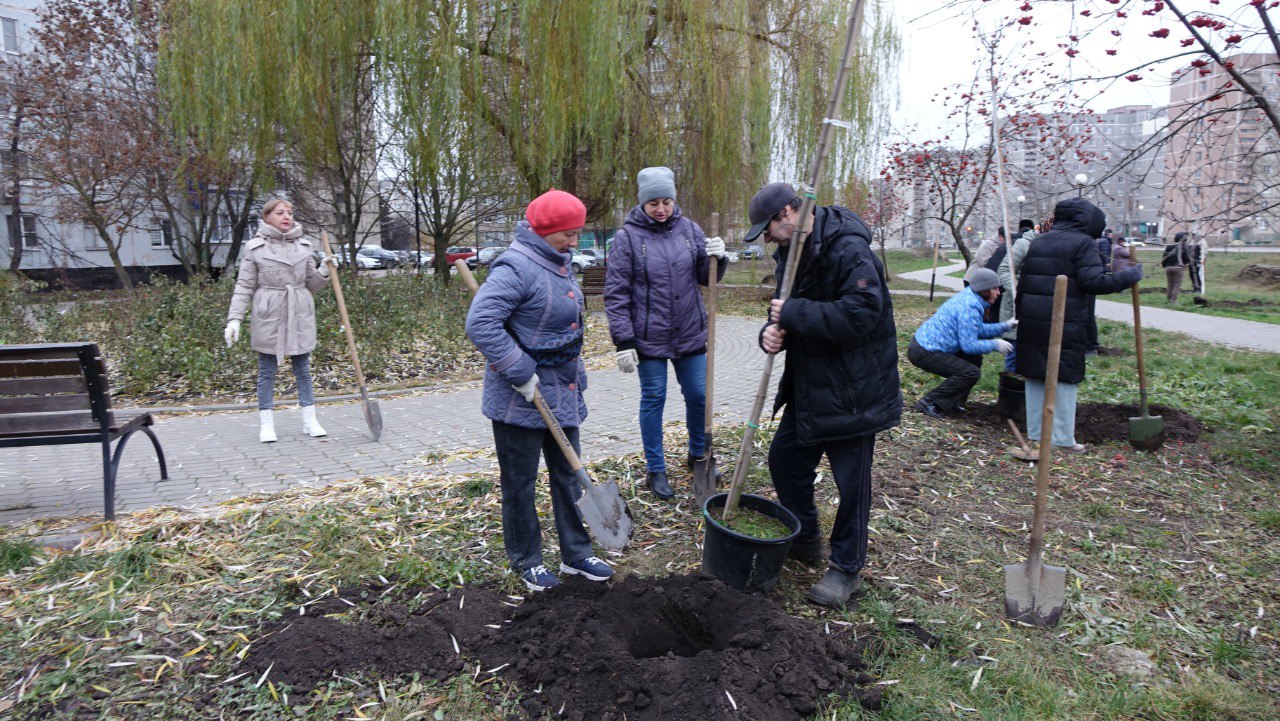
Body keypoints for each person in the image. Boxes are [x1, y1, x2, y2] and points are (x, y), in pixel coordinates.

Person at [745, 182, 902, 608]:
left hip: (854, 390)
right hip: (811, 387)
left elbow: (862, 313)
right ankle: (807, 538)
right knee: (785, 460)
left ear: (789, 215)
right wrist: (770, 333)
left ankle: (846, 568)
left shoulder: (849, 249)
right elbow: (782, 309)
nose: (767, 238)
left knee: (852, 486)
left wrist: (793, 314)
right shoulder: (791, 255)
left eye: (769, 228)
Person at [465, 189, 613, 592]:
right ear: (545, 230)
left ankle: (576, 554)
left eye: (578, 233)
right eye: (568, 233)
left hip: (561, 392)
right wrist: (519, 370)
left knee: (567, 475)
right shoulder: (515, 267)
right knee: (521, 483)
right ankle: (527, 559)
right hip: (520, 396)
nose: (575, 242)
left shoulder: (557, 261)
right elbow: (482, 324)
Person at [603, 166, 727, 500]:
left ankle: (699, 456)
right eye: (654, 203)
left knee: (699, 395)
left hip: (689, 332)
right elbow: (616, 293)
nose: (661, 209)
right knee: (654, 398)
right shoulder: (628, 238)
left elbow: (707, 277)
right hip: (649, 337)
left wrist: (719, 257)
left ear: (674, 200)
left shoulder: (690, 229)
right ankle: (655, 468)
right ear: (642, 203)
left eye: (667, 201)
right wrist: (623, 341)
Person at [1013, 198, 1142, 458]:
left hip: (1031, 317)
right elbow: (1092, 282)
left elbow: (1023, 280)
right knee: (1065, 375)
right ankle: (1061, 438)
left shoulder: (1040, 240)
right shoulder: (1083, 243)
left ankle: (1038, 435)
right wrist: (1129, 276)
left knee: (1037, 372)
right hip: (1063, 319)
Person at [225, 199, 331, 443]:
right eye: (280, 212)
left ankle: (310, 419)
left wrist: (323, 272)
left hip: (299, 312)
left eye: (290, 212)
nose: (287, 216)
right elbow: (244, 285)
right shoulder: (254, 248)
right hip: (269, 312)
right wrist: (235, 319)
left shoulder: (304, 246)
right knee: (267, 370)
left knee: (303, 369)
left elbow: (310, 285)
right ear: (267, 217)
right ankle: (267, 423)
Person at [908, 268, 1016, 418]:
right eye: (995, 288)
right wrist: (995, 345)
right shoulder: (969, 306)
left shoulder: (971, 299)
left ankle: (952, 402)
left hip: (926, 346)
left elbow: (976, 330)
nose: (998, 292)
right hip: (924, 351)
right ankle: (929, 402)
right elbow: (969, 345)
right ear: (984, 290)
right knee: (969, 372)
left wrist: (1005, 327)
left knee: (974, 359)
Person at [996, 219, 1040, 374]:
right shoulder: (1024, 244)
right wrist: (1019, 292)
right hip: (1016, 307)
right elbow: (1004, 270)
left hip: (1039, 311)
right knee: (1013, 355)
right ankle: (1011, 391)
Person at [1162, 233, 1188, 303]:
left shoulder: (1169, 246)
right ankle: (1173, 301)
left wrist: (1164, 265)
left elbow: (1164, 257)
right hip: (1178, 267)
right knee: (1176, 285)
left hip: (1168, 267)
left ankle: (1168, 299)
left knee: (1170, 284)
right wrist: (1184, 264)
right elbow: (1186, 258)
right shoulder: (1183, 247)